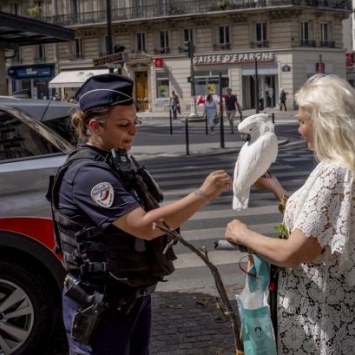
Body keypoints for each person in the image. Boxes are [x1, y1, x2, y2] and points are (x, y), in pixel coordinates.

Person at [49, 74, 231, 355]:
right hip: (101, 303)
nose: (133, 131)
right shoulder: (88, 174)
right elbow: (144, 226)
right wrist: (203, 194)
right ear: (94, 126)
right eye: (123, 125)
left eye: (135, 123)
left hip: (130, 297)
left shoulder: (116, 160)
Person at [225, 74, 355, 354]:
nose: (299, 130)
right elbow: (321, 223)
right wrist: (276, 188)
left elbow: (294, 253)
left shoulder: (333, 173)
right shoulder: (351, 168)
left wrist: (243, 234)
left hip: (322, 327)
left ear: (326, 124)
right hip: (344, 322)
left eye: (303, 122)